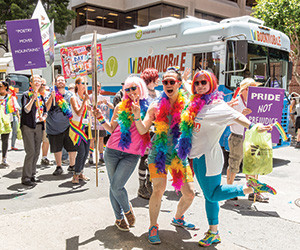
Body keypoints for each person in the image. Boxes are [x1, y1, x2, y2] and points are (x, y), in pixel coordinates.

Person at [177, 70, 277, 247]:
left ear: (211, 84)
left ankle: (247, 188)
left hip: (210, 158)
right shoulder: (196, 102)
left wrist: (256, 126)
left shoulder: (217, 106)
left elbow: (236, 116)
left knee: (213, 194)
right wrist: (185, 81)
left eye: (204, 83)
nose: (200, 86)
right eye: (197, 83)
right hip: (197, 158)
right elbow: (187, 89)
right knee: (209, 197)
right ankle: (213, 232)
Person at [131, 67, 196, 244]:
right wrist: (137, 116)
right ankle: (153, 226)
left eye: (171, 81)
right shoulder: (155, 105)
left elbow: (198, 99)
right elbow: (143, 128)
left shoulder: (187, 103)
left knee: (190, 194)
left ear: (178, 84)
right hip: (158, 153)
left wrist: (187, 85)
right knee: (158, 189)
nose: (167, 84)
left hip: (178, 154)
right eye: (165, 81)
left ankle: (178, 217)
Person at [94, 76, 150, 232]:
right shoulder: (119, 106)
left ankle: (126, 209)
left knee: (117, 186)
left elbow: (143, 130)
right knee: (114, 186)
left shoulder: (148, 108)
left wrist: (137, 114)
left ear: (141, 88)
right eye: (128, 89)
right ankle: (119, 217)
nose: (131, 92)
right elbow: (112, 129)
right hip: (112, 150)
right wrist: (100, 117)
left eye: (134, 88)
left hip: (131, 155)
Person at [227, 78, 269, 202]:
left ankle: (253, 193)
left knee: (252, 166)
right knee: (234, 164)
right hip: (238, 137)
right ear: (245, 89)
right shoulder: (235, 102)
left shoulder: (256, 102)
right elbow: (227, 122)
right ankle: (229, 191)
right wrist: (242, 114)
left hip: (252, 137)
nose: (255, 91)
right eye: (252, 88)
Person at [45, 75, 77, 175]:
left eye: (62, 80)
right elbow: (46, 108)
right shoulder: (50, 94)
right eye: (58, 80)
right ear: (55, 83)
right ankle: (59, 167)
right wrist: (51, 97)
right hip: (53, 127)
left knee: (72, 147)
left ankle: (72, 165)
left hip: (68, 126)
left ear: (65, 82)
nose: (60, 82)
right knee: (57, 148)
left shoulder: (70, 95)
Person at [137, 68, 161, 199]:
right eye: (156, 77)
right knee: (144, 158)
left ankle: (149, 183)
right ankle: (141, 187)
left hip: (158, 131)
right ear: (150, 79)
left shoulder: (159, 93)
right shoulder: (142, 94)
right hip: (146, 130)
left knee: (153, 159)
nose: (159, 80)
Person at [20, 75, 47, 186]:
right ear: (30, 83)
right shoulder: (26, 95)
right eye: (35, 81)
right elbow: (26, 110)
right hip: (28, 126)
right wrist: (32, 99)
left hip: (39, 126)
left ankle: (32, 174)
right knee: (30, 151)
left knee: (36, 152)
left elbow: (45, 112)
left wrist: (43, 118)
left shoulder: (41, 97)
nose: (37, 82)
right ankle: (25, 177)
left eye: (39, 81)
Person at [69, 77, 91, 183]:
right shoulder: (74, 98)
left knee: (86, 151)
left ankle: (81, 172)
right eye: (83, 83)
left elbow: (88, 111)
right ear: (77, 85)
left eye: (86, 83)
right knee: (81, 151)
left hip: (86, 127)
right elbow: (78, 112)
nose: (85, 85)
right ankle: (76, 175)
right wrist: (84, 102)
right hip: (77, 127)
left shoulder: (85, 98)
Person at [89, 82, 113, 165]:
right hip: (92, 121)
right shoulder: (90, 97)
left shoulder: (103, 97)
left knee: (101, 139)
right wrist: (95, 104)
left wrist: (106, 103)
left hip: (102, 122)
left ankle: (101, 156)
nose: (97, 88)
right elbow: (88, 107)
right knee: (92, 139)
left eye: (98, 86)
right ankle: (91, 155)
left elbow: (112, 106)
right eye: (96, 86)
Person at [0, 81, 14, 166]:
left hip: (7, 122)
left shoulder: (10, 97)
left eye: (0, 86)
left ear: (5, 87)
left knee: (5, 140)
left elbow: (15, 109)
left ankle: (4, 158)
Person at [39, 79, 51, 165]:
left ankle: (44, 157)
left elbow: (48, 107)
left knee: (46, 140)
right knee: (36, 141)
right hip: (36, 121)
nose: (42, 86)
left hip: (46, 121)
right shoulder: (34, 94)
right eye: (41, 84)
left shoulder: (47, 95)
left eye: (44, 84)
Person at [8, 86, 20, 151]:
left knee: (14, 131)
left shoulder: (13, 98)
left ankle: (13, 145)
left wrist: (18, 117)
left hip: (13, 115)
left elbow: (17, 108)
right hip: (7, 116)